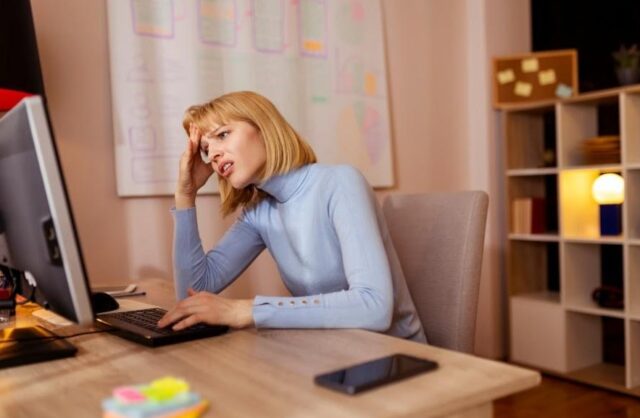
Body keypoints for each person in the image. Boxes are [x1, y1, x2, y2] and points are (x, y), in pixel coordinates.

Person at [158, 91, 426, 343]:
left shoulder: (339, 182)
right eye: (206, 149)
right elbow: (192, 292)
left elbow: (374, 306)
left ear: (264, 127)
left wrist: (246, 310)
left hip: (399, 358)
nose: (214, 155)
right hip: (333, 352)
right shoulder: (258, 213)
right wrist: (186, 195)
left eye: (223, 134)